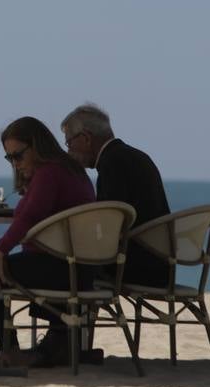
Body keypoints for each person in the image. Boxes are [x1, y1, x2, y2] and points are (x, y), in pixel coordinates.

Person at [0, 116, 95, 368]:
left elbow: (30, 216)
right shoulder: (68, 169)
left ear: (37, 146)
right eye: (10, 158)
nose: (15, 163)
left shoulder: (50, 173)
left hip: (61, 267)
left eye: (18, 156)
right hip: (80, 267)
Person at [60, 103, 171, 286]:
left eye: (69, 142)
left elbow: (108, 228)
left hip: (135, 268)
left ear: (86, 138)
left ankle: (70, 315)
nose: (68, 150)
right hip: (160, 264)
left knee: (58, 267)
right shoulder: (136, 156)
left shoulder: (112, 164)